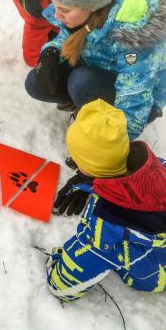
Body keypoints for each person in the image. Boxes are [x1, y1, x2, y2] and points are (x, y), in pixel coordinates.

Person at [25, 0, 166, 141]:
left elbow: (135, 100)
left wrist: (108, 149)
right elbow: (68, 37)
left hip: (138, 98)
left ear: (91, 7)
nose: (57, 15)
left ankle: (94, 110)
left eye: (64, 9)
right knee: (36, 83)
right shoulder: (85, 5)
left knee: (81, 81)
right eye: (55, 5)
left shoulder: (134, 38)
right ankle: (83, 102)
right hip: (95, 71)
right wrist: (50, 52)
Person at [47, 99, 166, 301]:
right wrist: (93, 182)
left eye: (77, 159)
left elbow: (61, 287)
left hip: (157, 275)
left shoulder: (105, 227)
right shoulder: (159, 166)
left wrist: (57, 261)